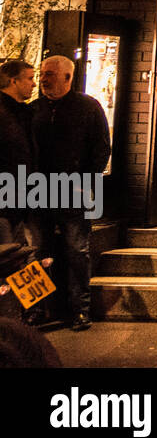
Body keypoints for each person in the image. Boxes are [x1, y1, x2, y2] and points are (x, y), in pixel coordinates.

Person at [30, 55, 111, 332]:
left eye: (50, 73)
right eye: (42, 73)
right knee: (36, 251)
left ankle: (80, 309)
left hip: (74, 191)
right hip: (36, 192)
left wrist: (86, 182)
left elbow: (101, 149)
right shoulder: (33, 110)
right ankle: (36, 308)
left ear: (68, 77)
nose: (43, 78)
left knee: (77, 251)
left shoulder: (88, 108)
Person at [0, 60, 36, 247]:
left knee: (17, 262)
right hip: (6, 204)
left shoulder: (25, 112)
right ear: (13, 81)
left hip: (19, 203)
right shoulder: (6, 115)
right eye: (30, 78)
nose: (34, 83)